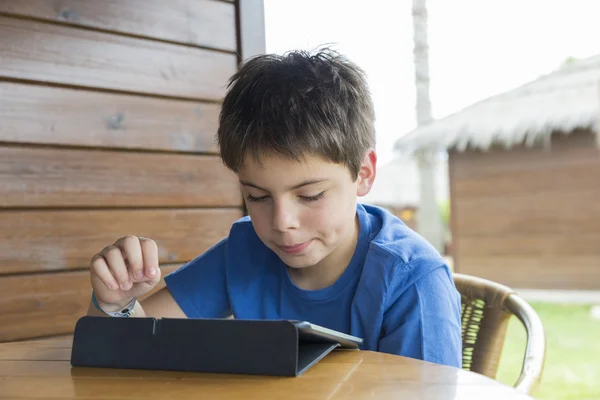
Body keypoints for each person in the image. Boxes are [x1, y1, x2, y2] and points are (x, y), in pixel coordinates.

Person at [87, 48, 462, 368]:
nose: (281, 223)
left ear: (363, 174)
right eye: (258, 197)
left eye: (311, 195)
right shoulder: (247, 250)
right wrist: (117, 303)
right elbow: (130, 349)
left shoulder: (411, 282)